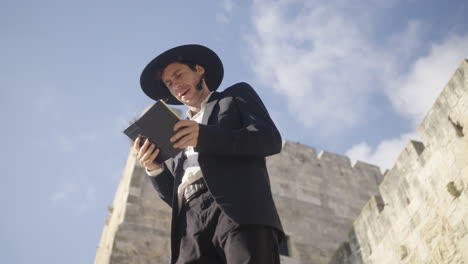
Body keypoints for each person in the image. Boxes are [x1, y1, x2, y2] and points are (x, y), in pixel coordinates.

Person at [135, 44, 284, 264]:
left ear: (199, 69)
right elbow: (175, 196)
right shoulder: (178, 133)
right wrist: (155, 169)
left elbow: (268, 139)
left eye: (179, 75)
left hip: (237, 211)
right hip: (189, 222)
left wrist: (204, 137)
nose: (175, 85)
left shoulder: (235, 96)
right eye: (169, 83)